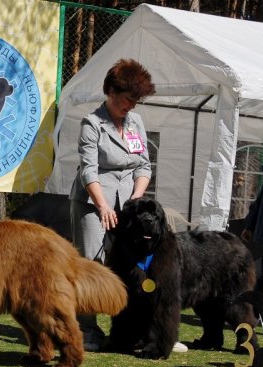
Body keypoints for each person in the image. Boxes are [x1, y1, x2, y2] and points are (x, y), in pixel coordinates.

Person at [69, 58, 155, 351]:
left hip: (128, 203)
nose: (131, 106)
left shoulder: (136, 122)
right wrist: (103, 206)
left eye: (136, 101)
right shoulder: (92, 123)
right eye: (128, 99)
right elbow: (88, 171)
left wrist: (136, 199)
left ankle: (135, 330)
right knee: (92, 263)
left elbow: (144, 165)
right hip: (93, 201)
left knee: (133, 265)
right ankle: (86, 330)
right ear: (111, 91)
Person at [241, 162, 263, 297]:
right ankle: (254, 310)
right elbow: (258, 204)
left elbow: (257, 204)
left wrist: (249, 226)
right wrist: (249, 227)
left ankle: (254, 310)